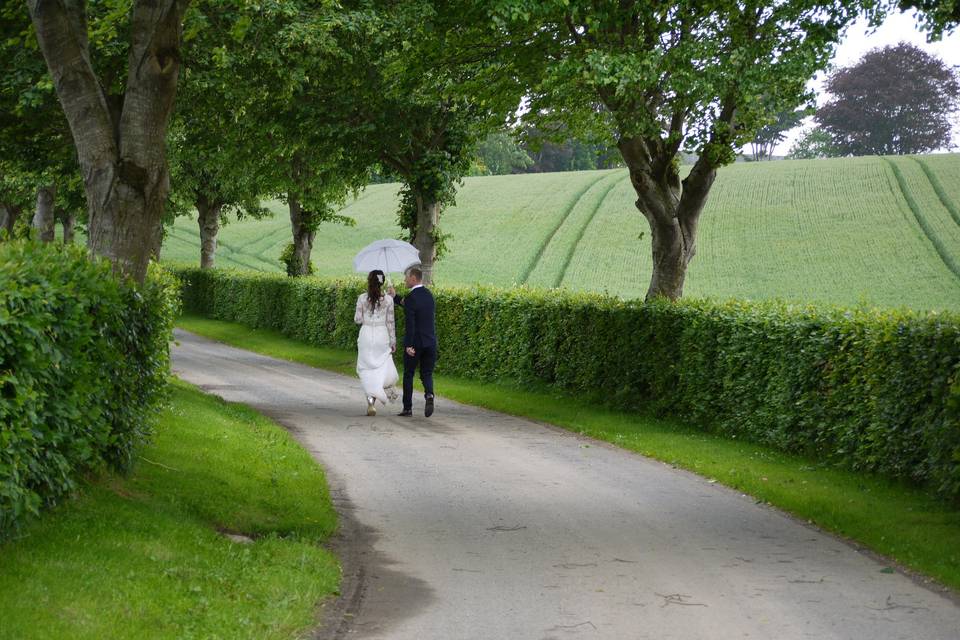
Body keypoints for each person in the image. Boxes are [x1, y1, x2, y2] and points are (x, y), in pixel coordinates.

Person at [388, 266, 437, 417]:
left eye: (406, 278)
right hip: (431, 342)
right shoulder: (429, 295)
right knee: (426, 373)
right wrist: (395, 296)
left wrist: (409, 345)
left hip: (415, 344)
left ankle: (407, 408)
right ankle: (429, 394)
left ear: (413, 278)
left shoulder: (411, 298)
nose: (404, 280)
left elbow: (411, 324)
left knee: (408, 374)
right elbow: (407, 303)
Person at [354, 270, 399, 416]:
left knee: (367, 370)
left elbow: (357, 320)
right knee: (379, 368)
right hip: (382, 335)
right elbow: (390, 322)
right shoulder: (388, 300)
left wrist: (367, 315)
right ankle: (380, 391)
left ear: (369, 282)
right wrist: (393, 341)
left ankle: (370, 402)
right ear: (382, 282)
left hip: (366, 334)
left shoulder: (362, 298)